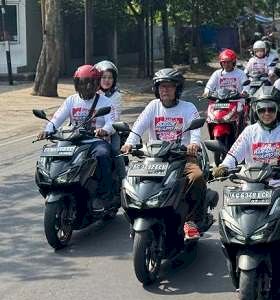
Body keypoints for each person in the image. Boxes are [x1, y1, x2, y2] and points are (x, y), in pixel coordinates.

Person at [211, 86, 280, 271]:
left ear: (278, 109)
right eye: (262, 109)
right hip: (251, 186)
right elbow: (234, 154)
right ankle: (234, 250)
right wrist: (224, 166)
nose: (266, 113)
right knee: (231, 214)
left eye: (271, 109)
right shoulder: (249, 131)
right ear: (256, 110)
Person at [120, 68, 205, 240]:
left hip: (181, 157)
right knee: (131, 180)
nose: (164, 90)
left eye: (169, 86)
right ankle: (137, 214)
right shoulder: (153, 106)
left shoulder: (188, 108)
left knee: (196, 177)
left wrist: (193, 144)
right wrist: (129, 143)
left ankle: (192, 221)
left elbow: (196, 131)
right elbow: (138, 127)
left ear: (177, 89)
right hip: (154, 158)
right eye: (161, 86)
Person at [37, 64, 115, 211]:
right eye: (82, 82)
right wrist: (47, 130)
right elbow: (57, 119)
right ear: (76, 84)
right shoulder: (71, 100)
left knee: (102, 155)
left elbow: (111, 122)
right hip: (73, 139)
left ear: (97, 84)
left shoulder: (106, 102)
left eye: (90, 82)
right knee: (52, 155)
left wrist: (104, 130)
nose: (86, 86)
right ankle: (52, 184)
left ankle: (104, 193)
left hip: (95, 141)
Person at [94, 60, 125, 178]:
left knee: (115, 150)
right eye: (103, 77)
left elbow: (115, 117)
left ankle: (123, 180)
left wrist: (105, 130)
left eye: (110, 77)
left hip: (111, 130)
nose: (107, 80)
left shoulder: (116, 95)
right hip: (90, 130)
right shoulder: (92, 93)